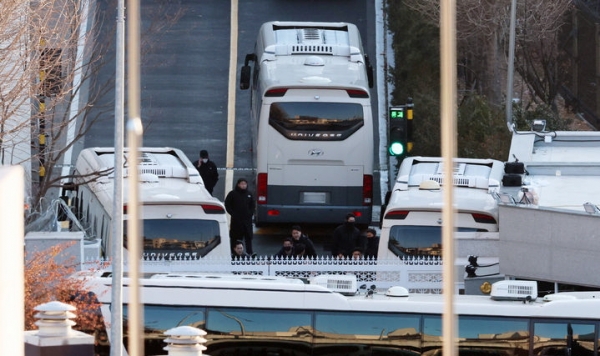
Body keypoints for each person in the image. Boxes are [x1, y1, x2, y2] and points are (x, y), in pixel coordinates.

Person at [225, 178, 255, 254]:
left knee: (248, 239)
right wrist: (233, 213)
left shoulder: (249, 194)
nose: (243, 185)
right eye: (242, 184)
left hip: (247, 222)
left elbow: (253, 205)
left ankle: (249, 254)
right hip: (237, 222)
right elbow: (227, 204)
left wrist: (250, 213)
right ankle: (234, 254)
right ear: (238, 184)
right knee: (236, 239)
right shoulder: (232, 194)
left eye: (245, 184)